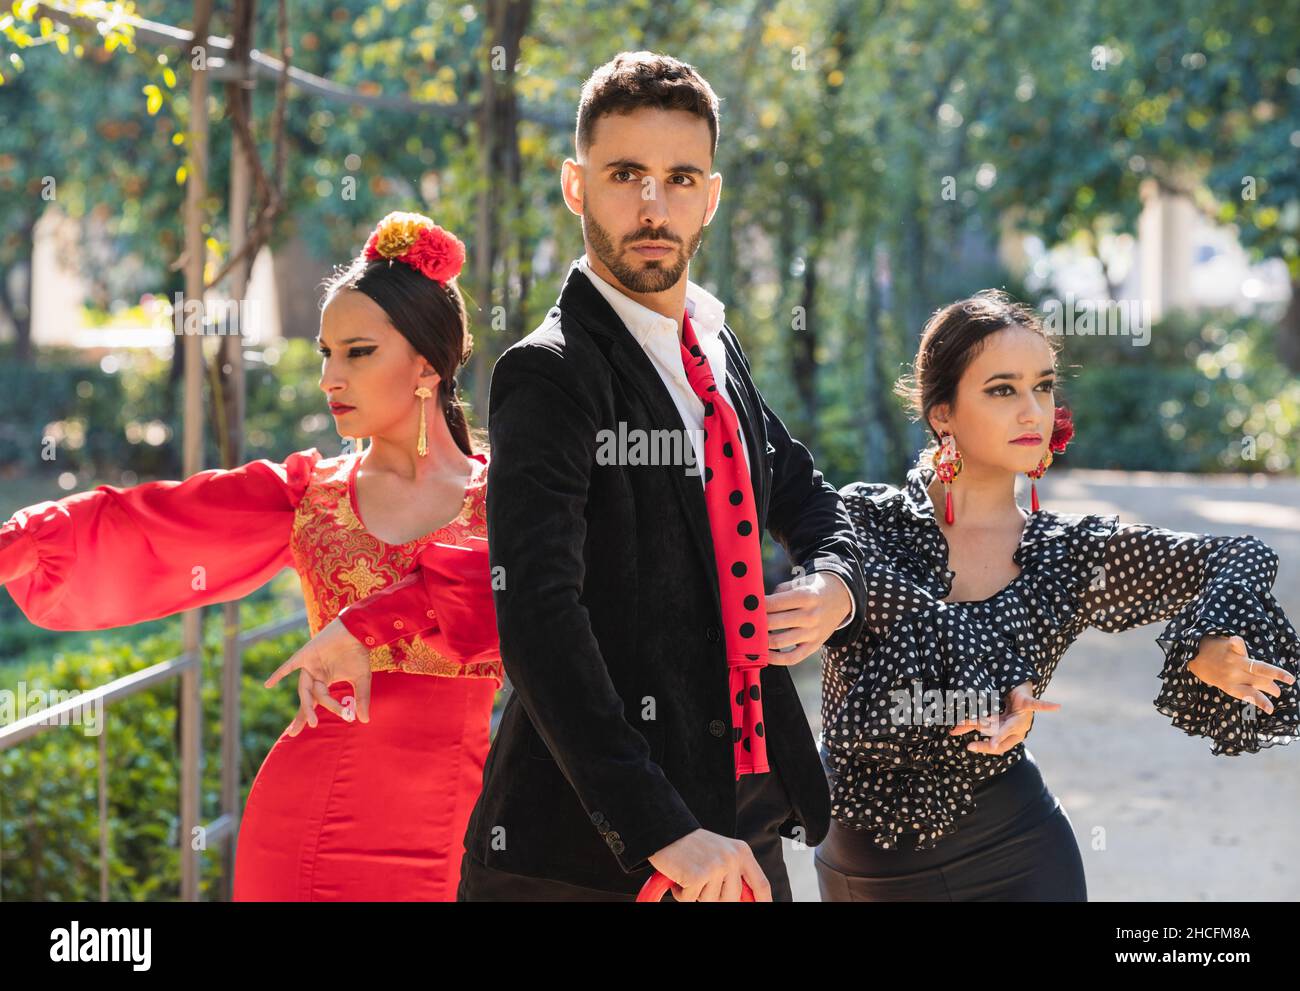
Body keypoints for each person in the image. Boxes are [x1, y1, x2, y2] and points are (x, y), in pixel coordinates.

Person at [457, 52, 962, 902]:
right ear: (576, 187)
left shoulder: (713, 347)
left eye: (679, 178)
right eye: (626, 175)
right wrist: (660, 830)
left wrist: (838, 583)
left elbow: (807, 495)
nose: (653, 207)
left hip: (743, 816)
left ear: (711, 196)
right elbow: (539, 617)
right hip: (587, 854)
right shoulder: (549, 373)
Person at [0, 211, 501, 901]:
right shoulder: (309, 493)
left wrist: (368, 622)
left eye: (357, 352)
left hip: (451, 832)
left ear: (426, 364)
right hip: (305, 825)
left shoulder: (507, 500)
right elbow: (148, 519)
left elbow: (506, 595)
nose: (330, 376)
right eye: (324, 353)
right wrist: (14, 544)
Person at [814, 289, 1300, 901]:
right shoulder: (864, 524)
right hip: (869, 863)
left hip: (1019, 851)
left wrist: (1206, 637)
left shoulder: (1068, 555)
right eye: (1002, 389)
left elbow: (1236, 554)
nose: (1031, 411)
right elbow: (857, 721)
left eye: (1042, 387)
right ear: (943, 414)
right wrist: (978, 701)